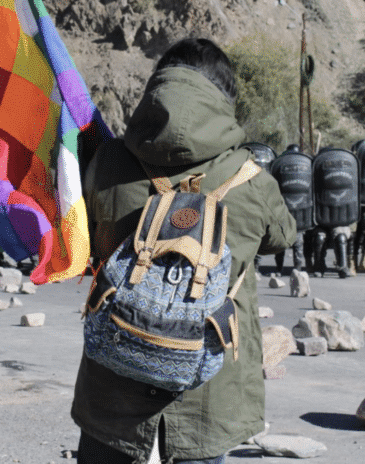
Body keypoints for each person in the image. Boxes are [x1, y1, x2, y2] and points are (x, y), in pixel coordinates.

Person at [71, 37, 296, 463]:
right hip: (207, 393)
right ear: (224, 98)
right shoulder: (252, 178)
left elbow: (82, 226)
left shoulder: (106, 161)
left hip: (113, 385)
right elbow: (283, 237)